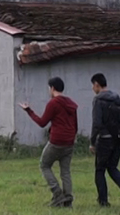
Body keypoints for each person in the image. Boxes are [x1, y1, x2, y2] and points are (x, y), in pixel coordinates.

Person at [19, 76, 78, 207]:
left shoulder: (53, 103)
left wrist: (28, 110)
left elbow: (42, 122)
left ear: (52, 88)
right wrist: (72, 137)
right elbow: (75, 124)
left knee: (44, 165)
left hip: (57, 141)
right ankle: (68, 198)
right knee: (65, 171)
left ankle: (57, 193)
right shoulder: (71, 103)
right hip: (69, 141)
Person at [89, 73, 120, 207]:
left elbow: (97, 123)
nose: (93, 88)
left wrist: (92, 142)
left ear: (97, 84)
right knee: (112, 167)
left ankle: (103, 201)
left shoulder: (98, 100)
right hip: (118, 139)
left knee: (100, 170)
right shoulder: (117, 98)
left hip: (104, 140)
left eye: (93, 85)